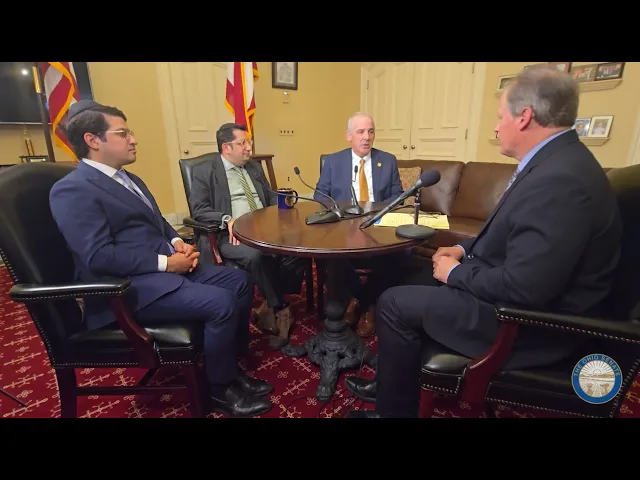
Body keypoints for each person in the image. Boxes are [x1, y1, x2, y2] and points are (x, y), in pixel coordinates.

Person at [345, 66, 623, 418]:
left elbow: (525, 289)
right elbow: (513, 234)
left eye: (499, 116)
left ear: (524, 117)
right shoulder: (556, 161)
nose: (495, 127)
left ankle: (393, 411)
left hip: (530, 327)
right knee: (407, 274)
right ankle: (393, 383)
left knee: (393, 303)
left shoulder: (562, 181)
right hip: (513, 296)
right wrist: (463, 250)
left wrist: (455, 274)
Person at [49, 101, 273, 418]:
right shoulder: (72, 189)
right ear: (93, 140)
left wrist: (178, 242)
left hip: (162, 274)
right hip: (125, 289)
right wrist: (167, 263)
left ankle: (229, 368)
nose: (133, 139)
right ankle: (220, 389)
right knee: (220, 302)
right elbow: (98, 255)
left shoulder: (129, 179)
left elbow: (159, 222)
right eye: (123, 133)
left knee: (239, 281)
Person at [189, 123, 309, 350]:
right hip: (230, 235)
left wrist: (285, 210)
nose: (249, 147)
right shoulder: (205, 171)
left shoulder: (253, 167)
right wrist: (226, 219)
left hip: (266, 229)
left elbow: (269, 197)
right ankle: (281, 308)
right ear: (226, 148)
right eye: (242, 143)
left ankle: (269, 302)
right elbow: (199, 209)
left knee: (301, 246)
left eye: (249, 142)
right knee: (257, 255)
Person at [313, 112, 405, 337]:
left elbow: (398, 196)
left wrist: (376, 211)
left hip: (377, 224)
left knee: (402, 251)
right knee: (327, 253)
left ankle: (360, 303)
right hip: (343, 226)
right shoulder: (333, 162)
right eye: (361, 132)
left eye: (370, 131)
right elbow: (319, 195)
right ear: (349, 136)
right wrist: (341, 211)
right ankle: (364, 300)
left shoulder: (388, 160)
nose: (367, 137)